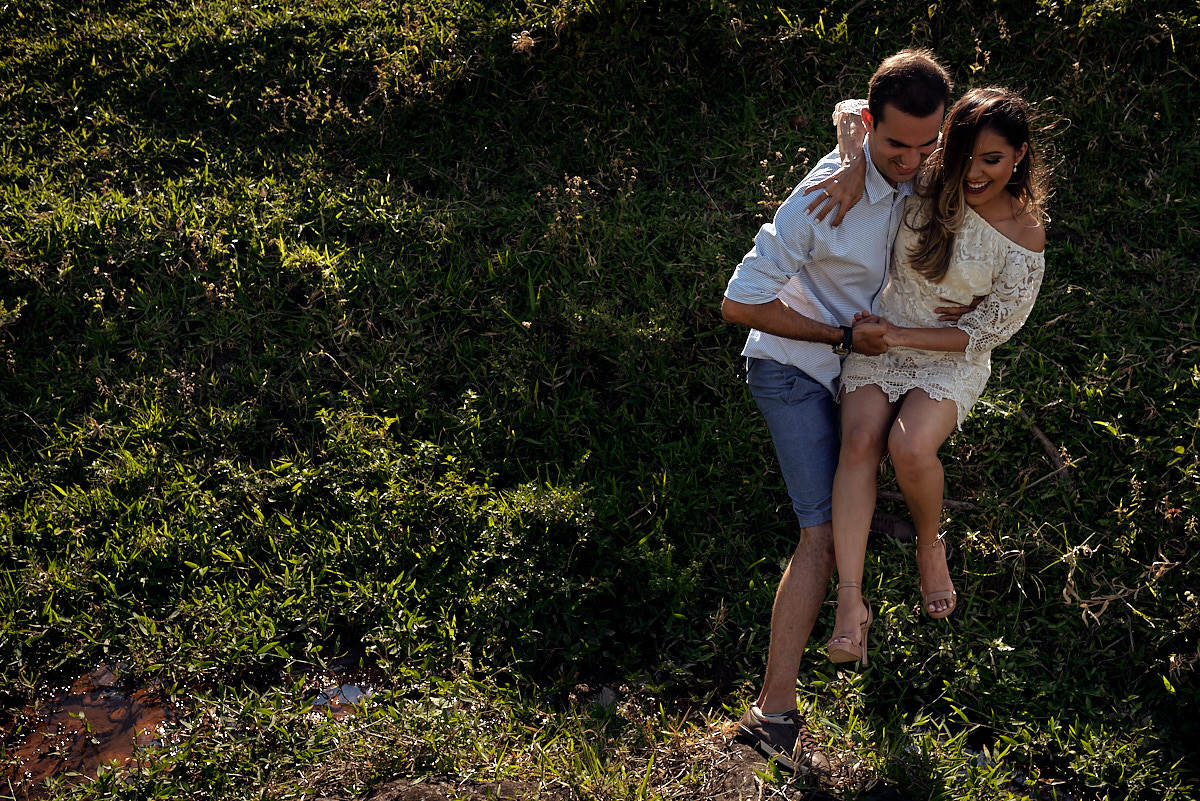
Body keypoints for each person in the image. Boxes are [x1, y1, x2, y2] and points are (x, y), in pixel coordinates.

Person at [720, 49, 955, 774]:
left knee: (865, 477)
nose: (914, 160)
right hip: (794, 367)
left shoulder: (900, 150)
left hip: (865, 368)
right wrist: (837, 335)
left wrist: (865, 152)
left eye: (928, 144)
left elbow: (866, 108)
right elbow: (738, 301)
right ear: (869, 126)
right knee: (817, 533)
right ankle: (773, 716)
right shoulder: (824, 196)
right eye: (895, 145)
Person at [823, 86, 1048, 666]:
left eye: (992, 160)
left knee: (910, 445)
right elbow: (851, 112)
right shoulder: (926, 178)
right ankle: (850, 600)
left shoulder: (1023, 235)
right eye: (963, 156)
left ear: (1019, 155)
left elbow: (982, 334)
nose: (973, 174)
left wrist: (896, 336)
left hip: (945, 354)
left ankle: (930, 545)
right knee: (859, 440)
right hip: (885, 330)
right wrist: (852, 164)